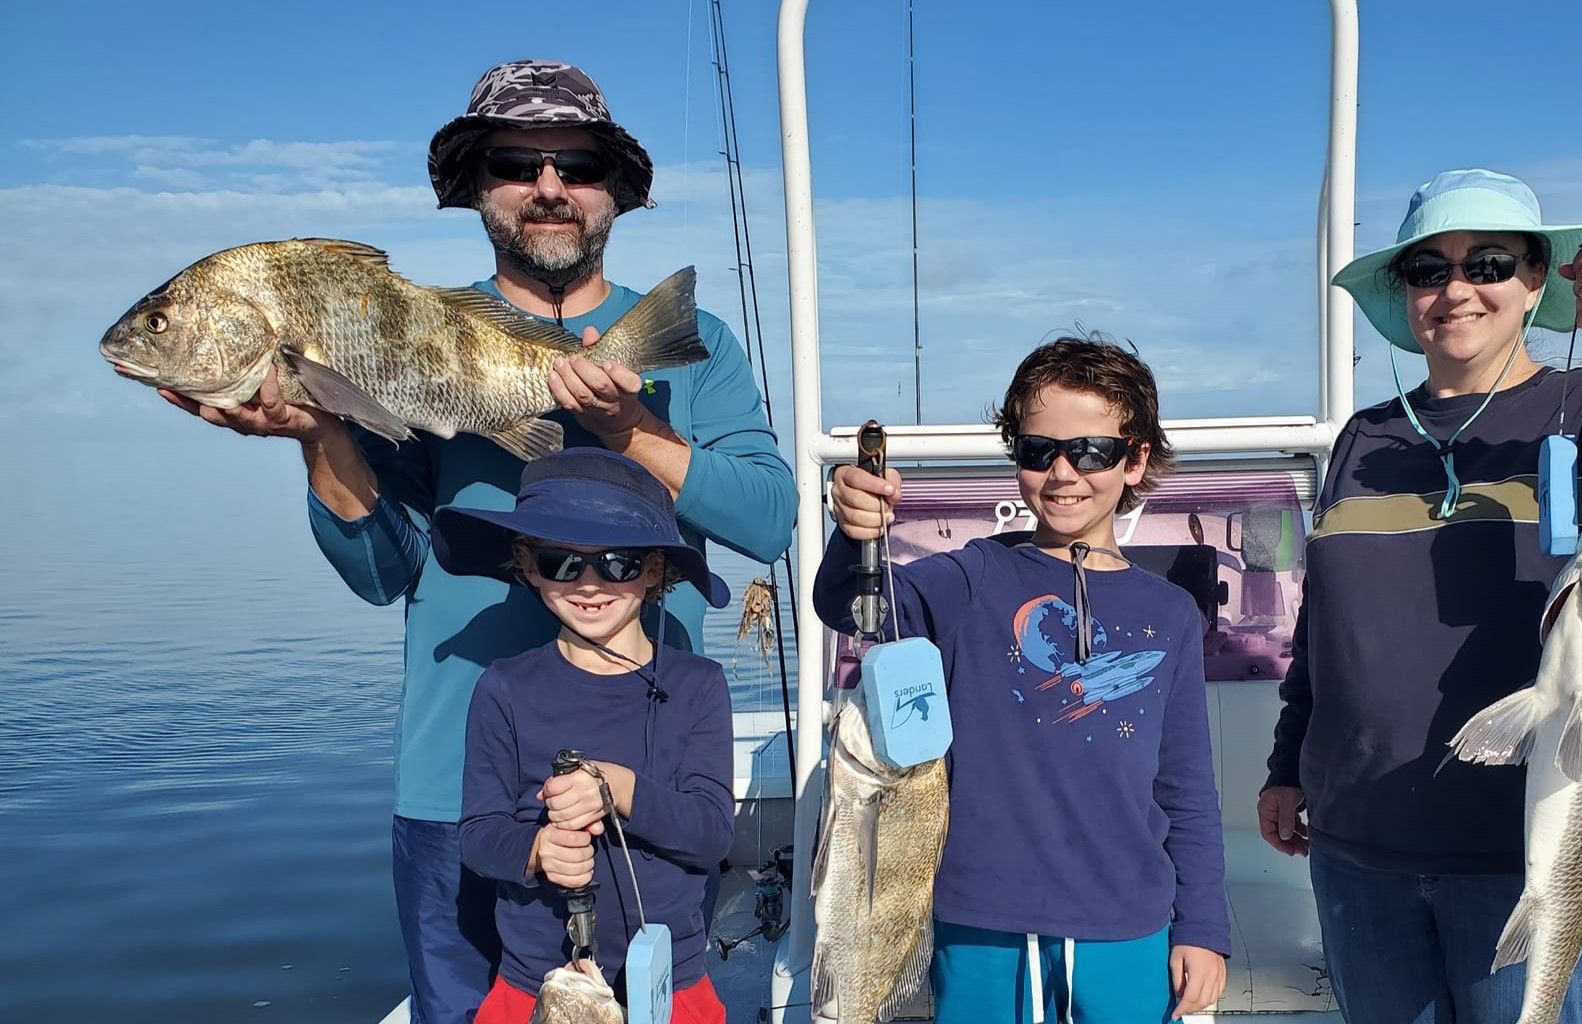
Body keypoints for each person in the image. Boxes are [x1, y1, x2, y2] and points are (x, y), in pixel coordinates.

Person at [152, 59, 797, 1022]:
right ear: (476, 187)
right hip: (455, 777)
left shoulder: (690, 341)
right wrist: (323, 434)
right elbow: (383, 571)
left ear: (613, 189)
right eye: (515, 162)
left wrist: (634, 433)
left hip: (646, 785)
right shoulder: (398, 335)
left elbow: (769, 520)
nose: (548, 186)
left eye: (576, 164)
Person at [1257, 169, 1582, 1024]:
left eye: (1488, 263)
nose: (1457, 289)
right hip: (1361, 843)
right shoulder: (1364, 438)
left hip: (1543, 854)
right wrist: (1285, 764)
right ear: (1404, 295)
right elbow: (1326, 631)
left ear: (1537, 284)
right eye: (1428, 270)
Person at [817, 338, 1230, 1023]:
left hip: (1129, 919)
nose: (1064, 472)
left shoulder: (1171, 614)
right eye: (1039, 451)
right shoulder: (968, 580)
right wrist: (854, 533)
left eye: (1091, 451)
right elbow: (855, 607)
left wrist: (1203, 928)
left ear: (1136, 460)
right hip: (982, 918)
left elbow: (1185, 785)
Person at [439, 448, 734, 1024]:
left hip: (671, 986)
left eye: (618, 563)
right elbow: (478, 835)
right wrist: (536, 849)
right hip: (537, 983)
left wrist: (621, 788)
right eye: (561, 562)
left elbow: (711, 836)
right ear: (528, 567)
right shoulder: (503, 688)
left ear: (654, 571)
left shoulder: (699, 685)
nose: (589, 584)